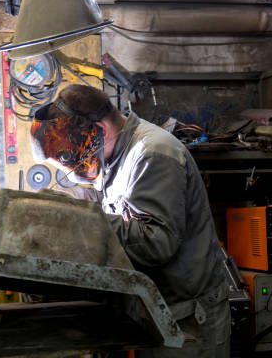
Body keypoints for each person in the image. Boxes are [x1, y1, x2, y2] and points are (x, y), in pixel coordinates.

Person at [30, 84, 230, 357]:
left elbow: (155, 243)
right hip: (154, 313)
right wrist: (55, 203)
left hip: (188, 321)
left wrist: (75, 218)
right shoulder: (116, 154)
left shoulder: (153, 154)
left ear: (99, 131)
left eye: (76, 161)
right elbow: (96, 194)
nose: (75, 169)